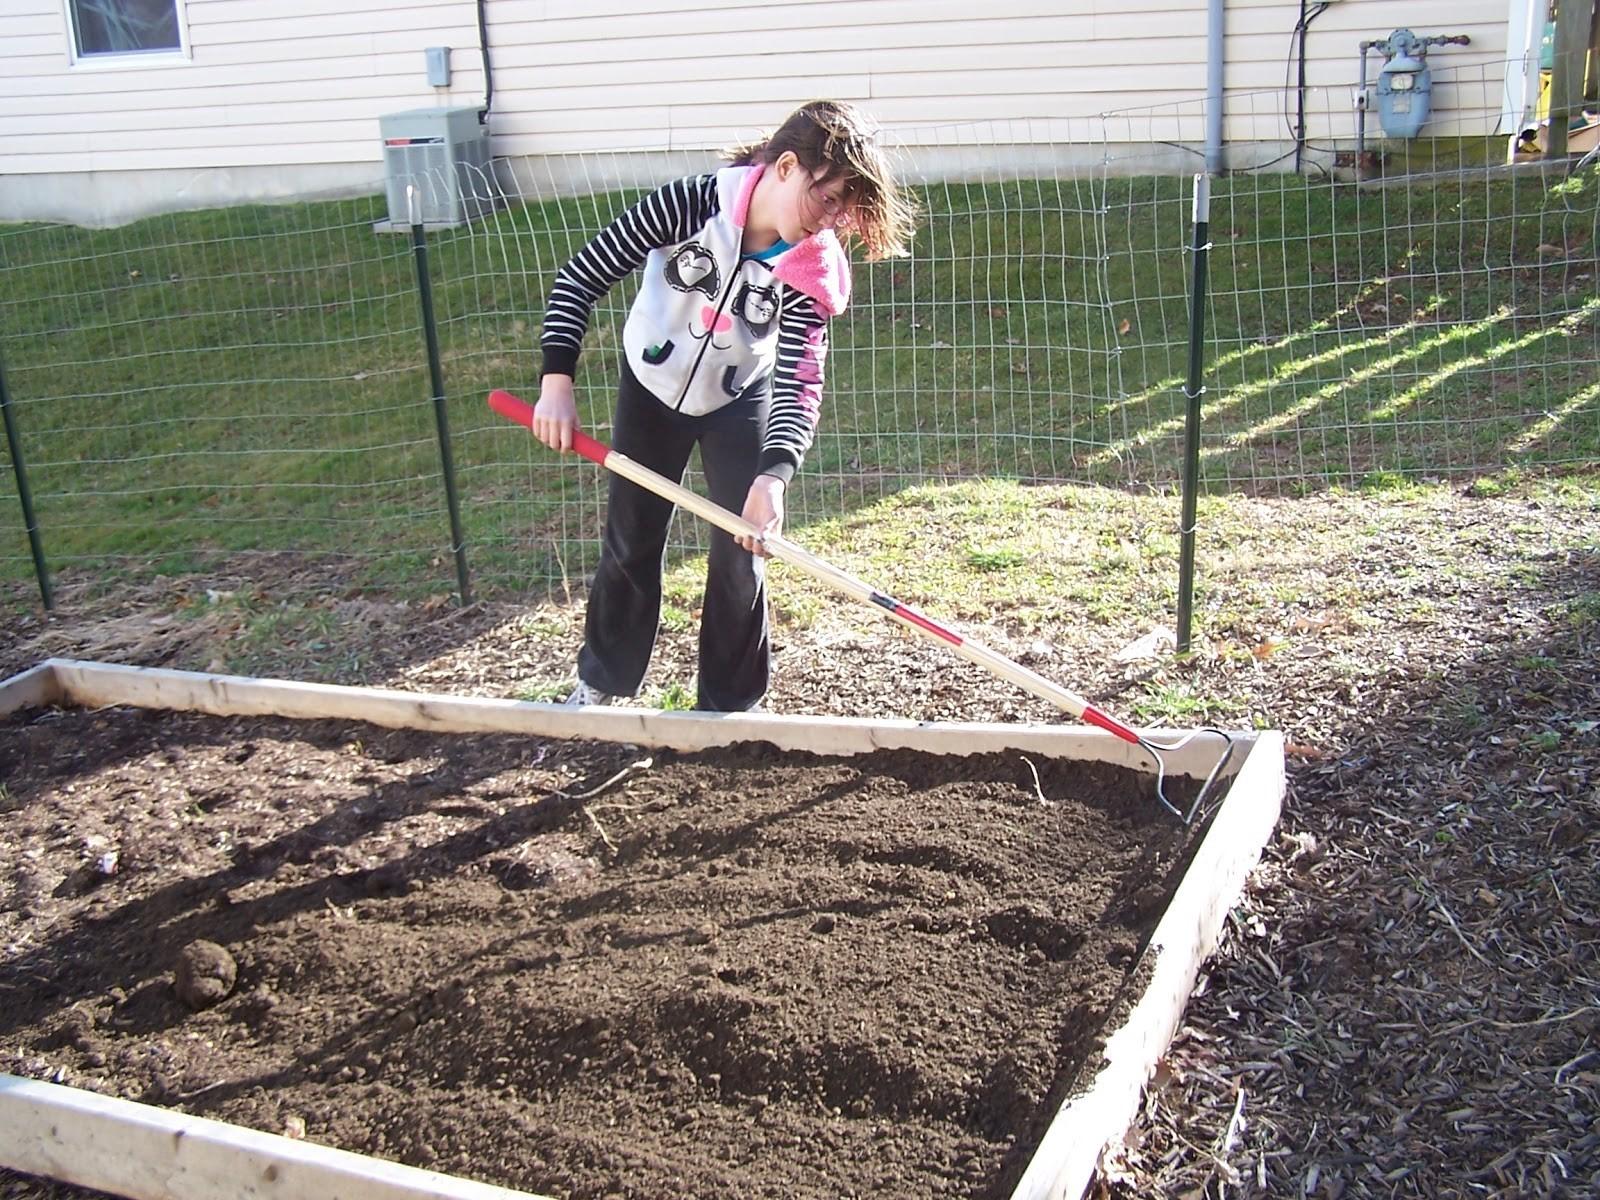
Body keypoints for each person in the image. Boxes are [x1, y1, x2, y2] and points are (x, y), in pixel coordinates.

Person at [529, 99, 917, 712]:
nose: (833, 220)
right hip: (652, 387)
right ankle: (601, 683)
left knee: (743, 552)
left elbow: (800, 378)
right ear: (786, 166)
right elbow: (581, 275)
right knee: (631, 540)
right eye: (829, 198)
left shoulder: (809, 266)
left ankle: (731, 707)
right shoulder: (690, 204)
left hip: (739, 398)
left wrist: (774, 476)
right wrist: (557, 382)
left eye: (846, 209)